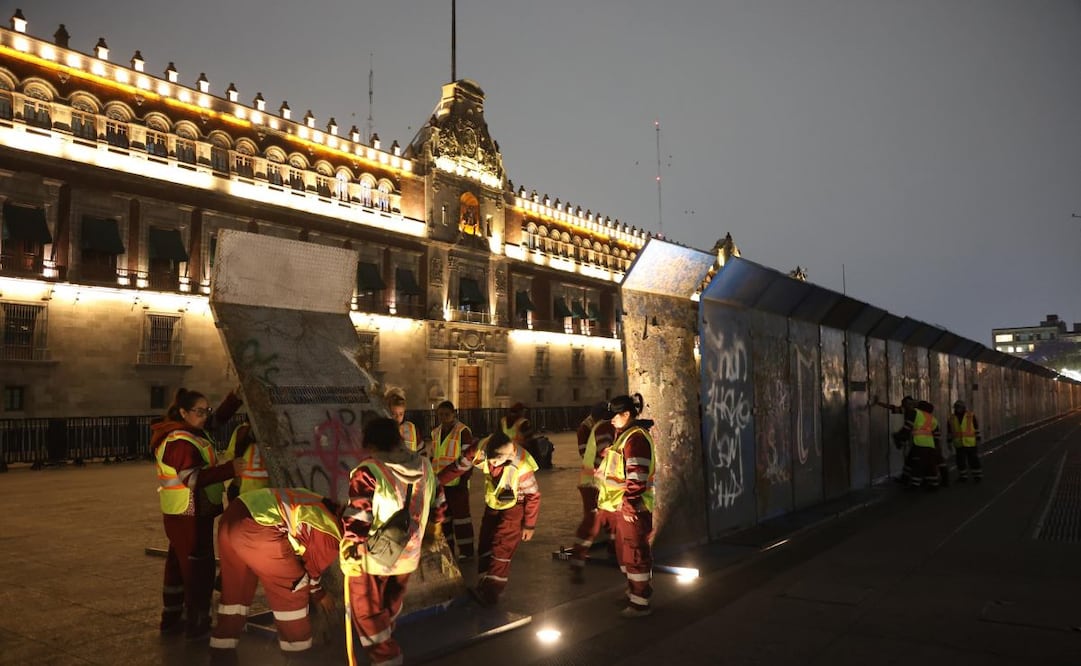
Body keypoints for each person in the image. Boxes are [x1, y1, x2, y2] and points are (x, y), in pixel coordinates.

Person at [341, 417, 444, 666]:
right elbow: (439, 502)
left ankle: (387, 657)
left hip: (373, 557)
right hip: (409, 553)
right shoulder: (424, 465)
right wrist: (432, 531)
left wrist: (351, 547)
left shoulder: (369, 471)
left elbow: (358, 514)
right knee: (391, 603)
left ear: (372, 442)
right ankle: (387, 639)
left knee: (367, 612)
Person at [151, 387, 243, 639]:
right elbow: (191, 478)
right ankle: (198, 623)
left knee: (177, 565)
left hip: (186, 512)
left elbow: (216, 422)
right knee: (197, 568)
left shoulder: (189, 432)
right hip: (189, 513)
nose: (205, 416)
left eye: (206, 410)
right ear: (183, 412)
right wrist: (230, 469)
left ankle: (171, 619)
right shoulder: (180, 441)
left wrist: (235, 398)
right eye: (199, 411)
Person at [209, 488, 341, 655]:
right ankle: (298, 652)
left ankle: (222, 649)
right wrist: (319, 594)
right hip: (258, 528)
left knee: (237, 590)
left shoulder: (320, 503)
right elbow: (311, 572)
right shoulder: (331, 535)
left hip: (234, 514)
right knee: (294, 587)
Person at [438, 430, 541, 606]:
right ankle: (483, 584)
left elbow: (533, 496)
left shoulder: (522, 465)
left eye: (498, 461)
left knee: (502, 548)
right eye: (491, 461)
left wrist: (529, 525)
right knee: (485, 543)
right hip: (494, 503)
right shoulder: (479, 449)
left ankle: (491, 593)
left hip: (516, 506)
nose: (493, 465)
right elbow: (458, 467)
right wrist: (435, 481)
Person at [597, 393, 656, 618]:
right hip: (623, 507)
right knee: (626, 553)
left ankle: (640, 603)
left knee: (634, 553)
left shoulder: (635, 438)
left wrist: (631, 501)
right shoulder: (626, 436)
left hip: (633, 508)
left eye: (614, 416)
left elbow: (637, 473)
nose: (611, 420)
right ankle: (634, 592)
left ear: (626, 414)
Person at [569, 401, 615, 583]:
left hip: (595, 481)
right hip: (596, 482)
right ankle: (578, 560)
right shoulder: (602, 427)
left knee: (605, 519)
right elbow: (604, 452)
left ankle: (581, 559)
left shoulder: (594, 426)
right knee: (593, 521)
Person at [429, 400, 475, 559]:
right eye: (441, 414)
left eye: (446, 414)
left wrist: (464, 479)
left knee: (461, 518)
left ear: (453, 414)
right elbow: (433, 456)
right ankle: (448, 549)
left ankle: (466, 551)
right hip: (440, 483)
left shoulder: (463, 432)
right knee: (445, 518)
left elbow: (468, 458)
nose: (443, 417)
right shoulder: (435, 432)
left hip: (457, 482)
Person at [223, 421, 268, 501]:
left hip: (245, 489)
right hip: (267, 490)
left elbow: (230, 456)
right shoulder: (275, 432)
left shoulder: (242, 431)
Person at [949, 400, 982, 482]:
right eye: (956, 407)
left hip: (970, 443)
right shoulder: (951, 418)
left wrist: (978, 439)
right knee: (960, 461)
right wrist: (949, 442)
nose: (957, 409)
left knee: (973, 460)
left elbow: (976, 428)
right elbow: (950, 431)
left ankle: (977, 475)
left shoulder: (970, 416)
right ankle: (963, 476)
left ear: (963, 407)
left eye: (959, 407)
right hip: (959, 443)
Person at [385, 387, 420, 453]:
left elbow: (421, 450)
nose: (398, 417)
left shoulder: (411, 428)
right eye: (394, 414)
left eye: (401, 414)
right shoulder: (382, 429)